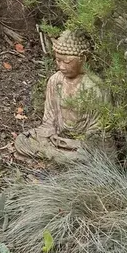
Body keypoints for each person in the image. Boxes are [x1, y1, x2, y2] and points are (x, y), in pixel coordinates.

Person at [13, 30, 105, 161]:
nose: (61, 66)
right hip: (57, 140)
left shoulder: (94, 86)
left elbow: (99, 129)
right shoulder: (55, 80)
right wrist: (51, 134)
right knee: (22, 141)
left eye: (67, 62)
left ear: (83, 59)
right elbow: (49, 119)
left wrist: (76, 143)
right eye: (58, 60)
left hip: (81, 145)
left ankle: (61, 159)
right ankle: (60, 158)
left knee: (91, 155)